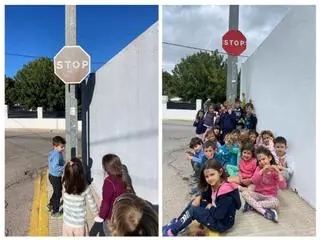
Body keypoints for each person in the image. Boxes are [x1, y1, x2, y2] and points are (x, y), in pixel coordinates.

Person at [162, 159, 241, 236]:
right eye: (207, 176)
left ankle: (172, 231)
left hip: (222, 224)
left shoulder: (226, 194)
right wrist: (199, 197)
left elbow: (219, 215)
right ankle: (178, 222)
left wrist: (210, 207)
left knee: (194, 211)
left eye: (212, 174)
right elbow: (207, 194)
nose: (209, 178)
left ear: (220, 172)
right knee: (195, 202)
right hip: (216, 212)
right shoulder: (215, 183)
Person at [241, 146, 287, 223]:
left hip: (269, 197)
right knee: (244, 193)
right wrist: (262, 171)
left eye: (263, 159)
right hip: (258, 195)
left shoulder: (274, 171)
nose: (262, 162)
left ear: (269, 158)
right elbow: (254, 181)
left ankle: (251, 205)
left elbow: (283, 187)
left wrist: (278, 172)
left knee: (276, 202)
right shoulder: (259, 169)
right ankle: (264, 211)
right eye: (259, 160)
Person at [90, 154, 131, 236]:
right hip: (123, 215)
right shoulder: (124, 177)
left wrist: (101, 216)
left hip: (111, 218)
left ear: (106, 168)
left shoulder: (108, 182)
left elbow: (106, 202)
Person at [62, 158, 98, 236]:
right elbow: (92, 203)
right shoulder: (85, 187)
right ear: (81, 174)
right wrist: (96, 214)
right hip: (80, 226)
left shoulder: (65, 184)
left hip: (67, 224)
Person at [47, 136, 66, 217]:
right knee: (58, 194)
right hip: (55, 177)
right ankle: (55, 211)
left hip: (52, 175)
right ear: (55, 146)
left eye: (63, 146)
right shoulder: (57, 155)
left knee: (57, 191)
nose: (63, 148)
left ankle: (51, 204)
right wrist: (64, 168)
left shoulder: (54, 153)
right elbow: (55, 166)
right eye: (61, 147)